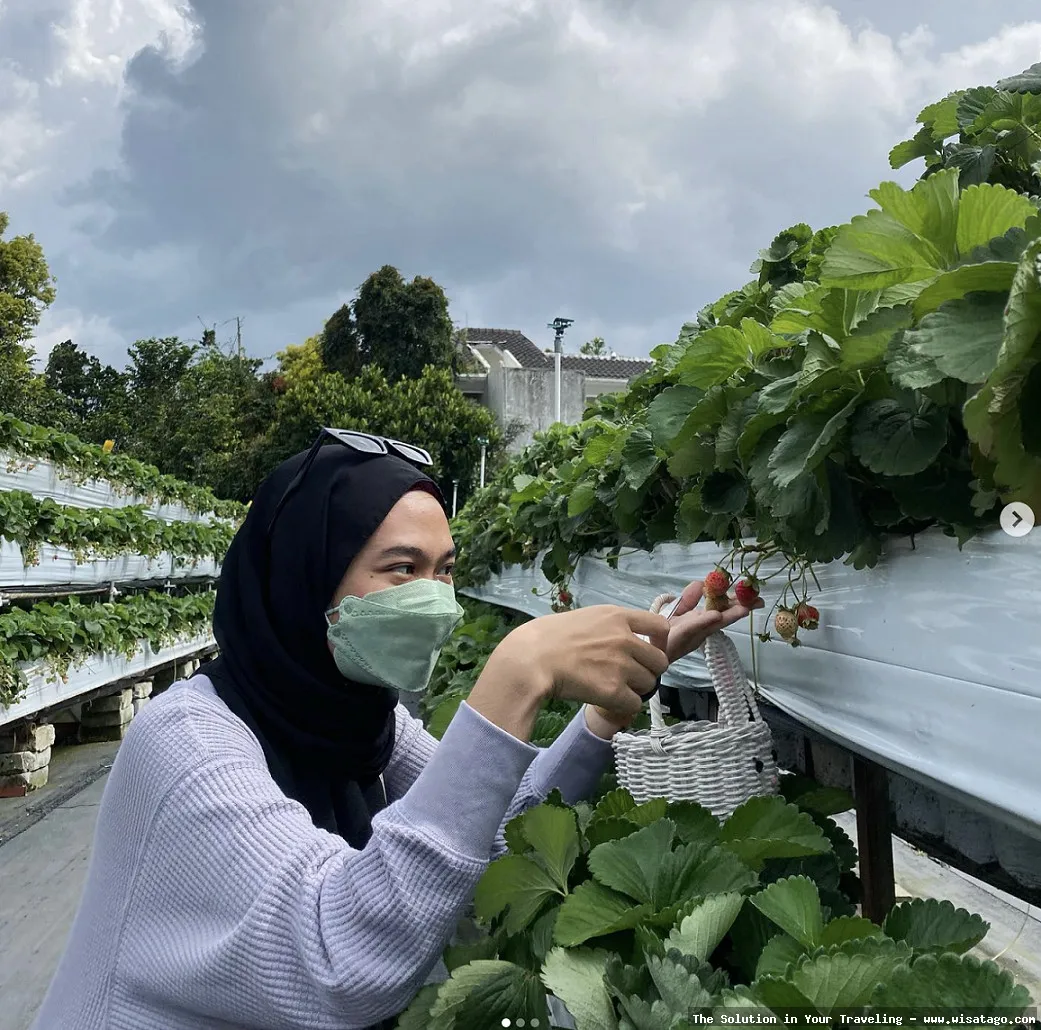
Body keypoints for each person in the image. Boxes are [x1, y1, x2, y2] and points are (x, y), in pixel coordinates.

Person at [32, 430, 761, 1030]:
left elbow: (500, 829)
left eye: (443, 570)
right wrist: (514, 676)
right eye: (400, 568)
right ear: (305, 578)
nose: (435, 602)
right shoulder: (188, 742)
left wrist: (604, 713)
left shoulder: (362, 726)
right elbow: (339, 958)